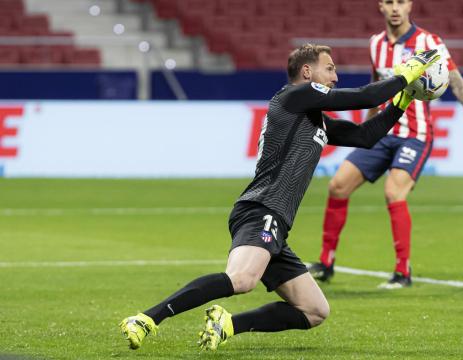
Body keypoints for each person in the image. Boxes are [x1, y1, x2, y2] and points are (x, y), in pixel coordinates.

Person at [119, 44, 441, 350]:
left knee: (314, 310)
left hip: (277, 220)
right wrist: (407, 73)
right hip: (262, 208)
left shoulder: (314, 119)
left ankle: (227, 325)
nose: (335, 77)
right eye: (329, 69)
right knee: (242, 279)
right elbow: (363, 97)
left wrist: (403, 100)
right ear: (306, 71)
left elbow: (365, 136)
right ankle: (147, 318)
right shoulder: (295, 96)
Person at [308, 0, 463, 289]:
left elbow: (455, 80)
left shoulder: (429, 42)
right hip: (382, 132)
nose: (395, 8)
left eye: (401, 1)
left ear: (410, 5)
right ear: (380, 7)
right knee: (338, 185)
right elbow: (375, 85)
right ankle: (325, 262)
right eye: (389, 2)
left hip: (415, 134)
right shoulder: (375, 43)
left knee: (393, 191)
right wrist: (365, 126)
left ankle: (402, 272)